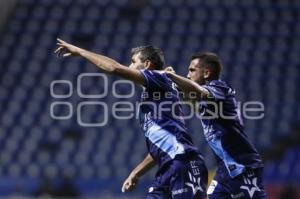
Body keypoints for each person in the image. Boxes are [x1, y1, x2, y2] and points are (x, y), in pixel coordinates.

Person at [55, 40, 208, 198]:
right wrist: (135, 173)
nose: (129, 66)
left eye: (133, 62)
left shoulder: (159, 78)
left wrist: (81, 52)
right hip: (168, 167)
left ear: (147, 64)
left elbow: (114, 68)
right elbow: (162, 146)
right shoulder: (155, 95)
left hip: (183, 163)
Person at [165, 52, 267, 198]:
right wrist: (177, 87)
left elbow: (198, 92)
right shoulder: (209, 102)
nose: (188, 75)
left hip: (244, 168)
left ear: (206, 73)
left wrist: (173, 77)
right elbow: (193, 102)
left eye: (192, 70)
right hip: (224, 171)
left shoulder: (220, 89)